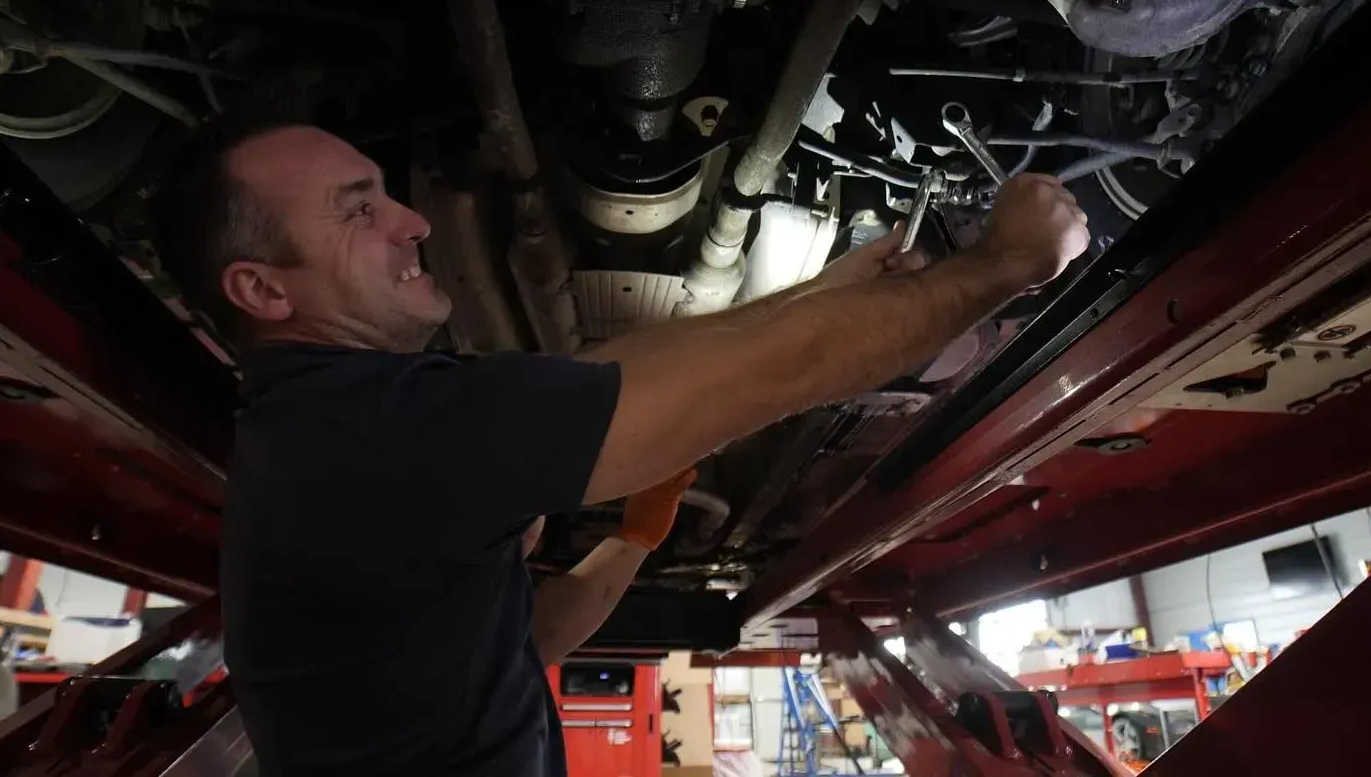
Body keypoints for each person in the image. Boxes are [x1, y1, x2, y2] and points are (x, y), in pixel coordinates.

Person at [150, 119, 1088, 776]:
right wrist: (1009, 263)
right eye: (359, 210)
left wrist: (641, 534)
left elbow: (524, 640)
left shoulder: (329, 437)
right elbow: (774, 377)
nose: (415, 221)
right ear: (265, 292)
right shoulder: (383, 438)